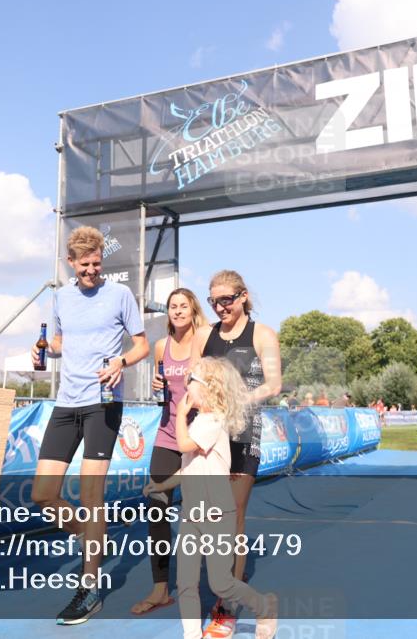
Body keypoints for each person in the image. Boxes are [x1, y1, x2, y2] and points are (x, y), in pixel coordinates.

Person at [30, 225, 149, 626]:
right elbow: (63, 342)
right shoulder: (61, 297)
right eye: (84, 265)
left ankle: (90, 587)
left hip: (103, 403)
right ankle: (93, 534)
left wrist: (121, 362)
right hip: (66, 402)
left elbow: (142, 344)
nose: (92, 271)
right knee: (43, 494)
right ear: (70, 263)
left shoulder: (119, 295)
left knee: (90, 495)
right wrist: (45, 347)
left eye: (97, 263)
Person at [143, 357, 278, 639]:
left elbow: (183, 445)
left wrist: (179, 415)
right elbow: (188, 466)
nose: (186, 386)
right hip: (192, 516)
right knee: (187, 583)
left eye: (191, 381)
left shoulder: (212, 421)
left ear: (208, 389)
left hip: (217, 515)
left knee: (221, 584)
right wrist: (161, 485)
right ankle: (191, 634)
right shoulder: (199, 422)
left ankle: (264, 606)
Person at [192, 270, 281, 639]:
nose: (219, 307)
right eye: (213, 301)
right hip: (210, 438)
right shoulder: (204, 335)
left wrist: (239, 400)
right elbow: (194, 379)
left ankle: (226, 606)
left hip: (244, 435)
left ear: (243, 297)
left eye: (226, 300)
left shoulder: (262, 334)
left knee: (233, 518)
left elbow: (274, 384)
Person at [131, 288, 206, 616]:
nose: (177, 311)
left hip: (197, 437)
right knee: (157, 509)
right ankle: (160, 587)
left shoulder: (203, 342)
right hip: (165, 435)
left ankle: (208, 583)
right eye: (172, 306)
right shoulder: (161, 346)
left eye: (183, 306)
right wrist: (156, 387)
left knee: (198, 514)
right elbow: (163, 388)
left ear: (192, 310)